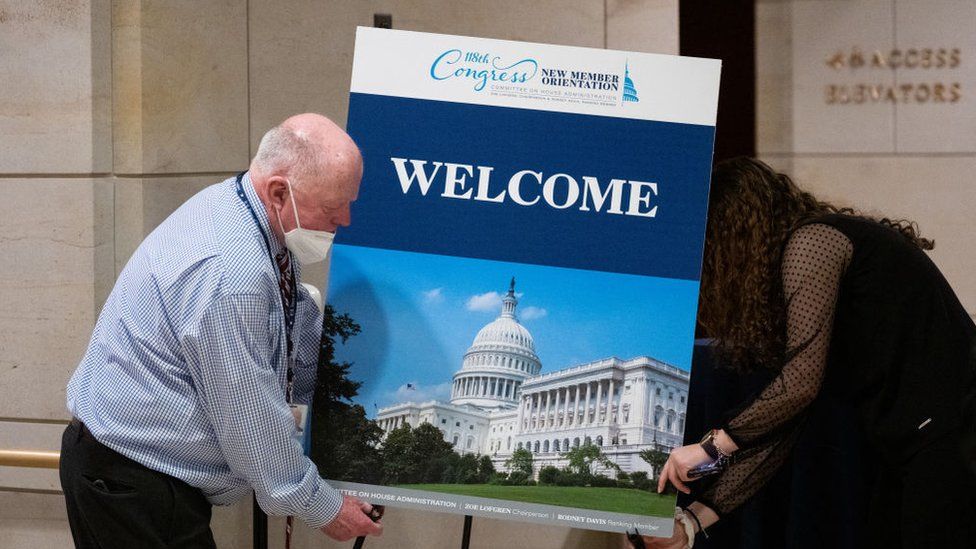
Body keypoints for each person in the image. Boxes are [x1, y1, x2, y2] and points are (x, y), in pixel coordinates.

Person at [59, 113, 383, 547]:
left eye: (349, 201)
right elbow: (248, 419)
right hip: (132, 482)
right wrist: (323, 508)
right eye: (331, 206)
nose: (344, 218)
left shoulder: (244, 211)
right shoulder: (232, 275)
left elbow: (285, 324)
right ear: (278, 191)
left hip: (135, 472)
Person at [644, 157, 976, 549]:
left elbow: (798, 385)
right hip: (917, 441)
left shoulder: (814, 242)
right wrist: (694, 522)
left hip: (956, 429)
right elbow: (781, 430)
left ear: (737, 232)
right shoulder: (804, 274)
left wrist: (711, 447)